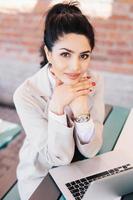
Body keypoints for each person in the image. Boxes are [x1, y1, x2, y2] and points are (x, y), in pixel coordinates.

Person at [13, 1, 105, 199]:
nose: (76, 67)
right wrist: (57, 107)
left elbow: (92, 149)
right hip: (40, 176)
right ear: (49, 53)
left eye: (84, 55)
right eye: (65, 54)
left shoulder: (94, 81)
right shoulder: (26, 95)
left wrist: (82, 112)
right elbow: (57, 158)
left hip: (81, 169)